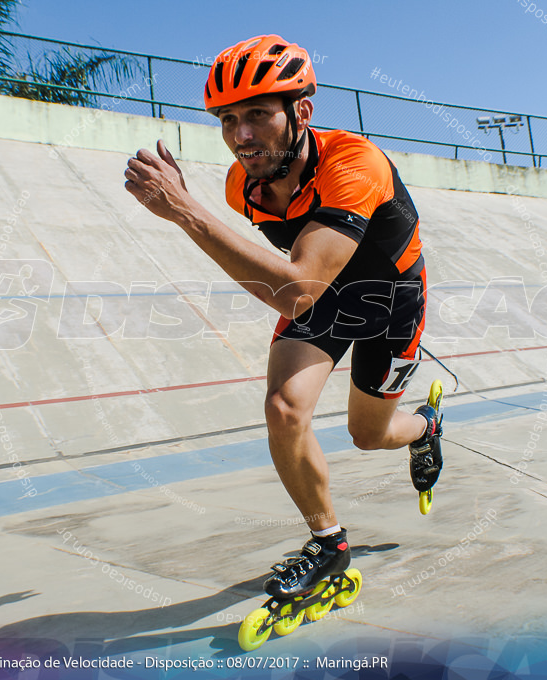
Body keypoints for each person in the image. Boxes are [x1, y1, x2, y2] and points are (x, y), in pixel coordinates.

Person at [124, 35, 442, 600]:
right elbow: (299, 286)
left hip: (389, 300)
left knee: (368, 436)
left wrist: (183, 212)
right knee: (283, 407)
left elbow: (294, 290)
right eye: (227, 120)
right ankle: (328, 542)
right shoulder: (239, 186)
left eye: (256, 116)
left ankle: (426, 427)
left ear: (301, 112)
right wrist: (192, 212)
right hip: (324, 293)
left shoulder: (354, 165)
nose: (241, 137)